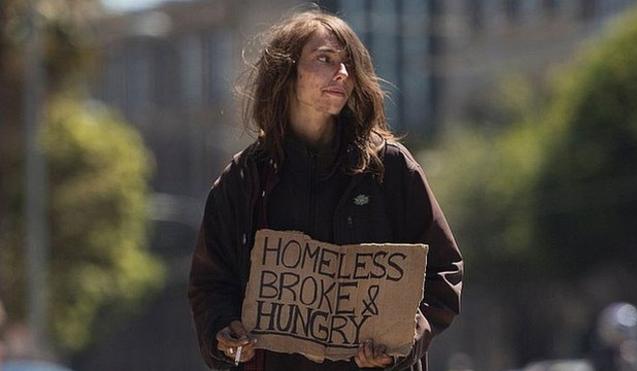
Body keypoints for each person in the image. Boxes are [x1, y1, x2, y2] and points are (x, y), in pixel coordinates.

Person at [188, 9, 463, 371]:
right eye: (325, 59)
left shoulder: (389, 167)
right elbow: (210, 284)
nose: (343, 73)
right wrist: (224, 331)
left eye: (349, 63)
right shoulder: (244, 179)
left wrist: (402, 340)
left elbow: (444, 269)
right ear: (287, 72)